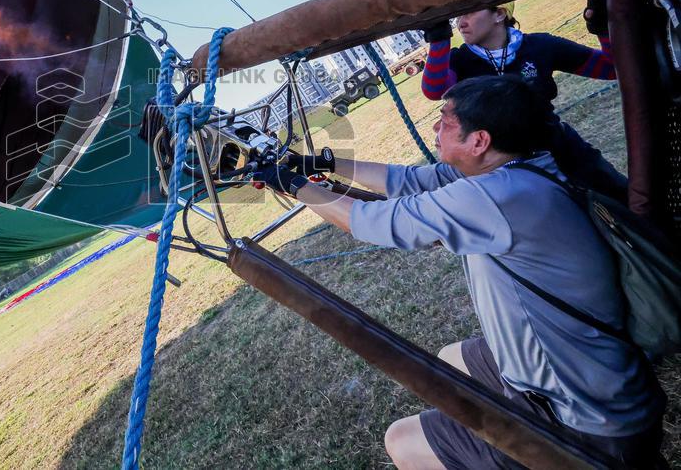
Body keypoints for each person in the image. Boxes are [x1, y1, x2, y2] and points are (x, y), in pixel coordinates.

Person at [256, 76, 665, 469]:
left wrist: (290, 184)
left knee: (403, 441)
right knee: (452, 359)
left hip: (589, 422)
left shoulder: (495, 195)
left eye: (446, 121)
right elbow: (405, 180)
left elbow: (367, 220)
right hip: (605, 379)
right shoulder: (522, 168)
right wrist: (315, 164)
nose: (435, 126)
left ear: (479, 141)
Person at [418, 0, 626, 200]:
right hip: (506, 173)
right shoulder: (459, 60)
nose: (460, 24)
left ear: (499, 14)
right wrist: (439, 39)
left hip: (562, 151)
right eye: (457, 18)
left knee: (626, 203)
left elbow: (610, 68)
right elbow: (434, 90)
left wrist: (603, 25)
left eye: (467, 13)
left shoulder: (540, 46)